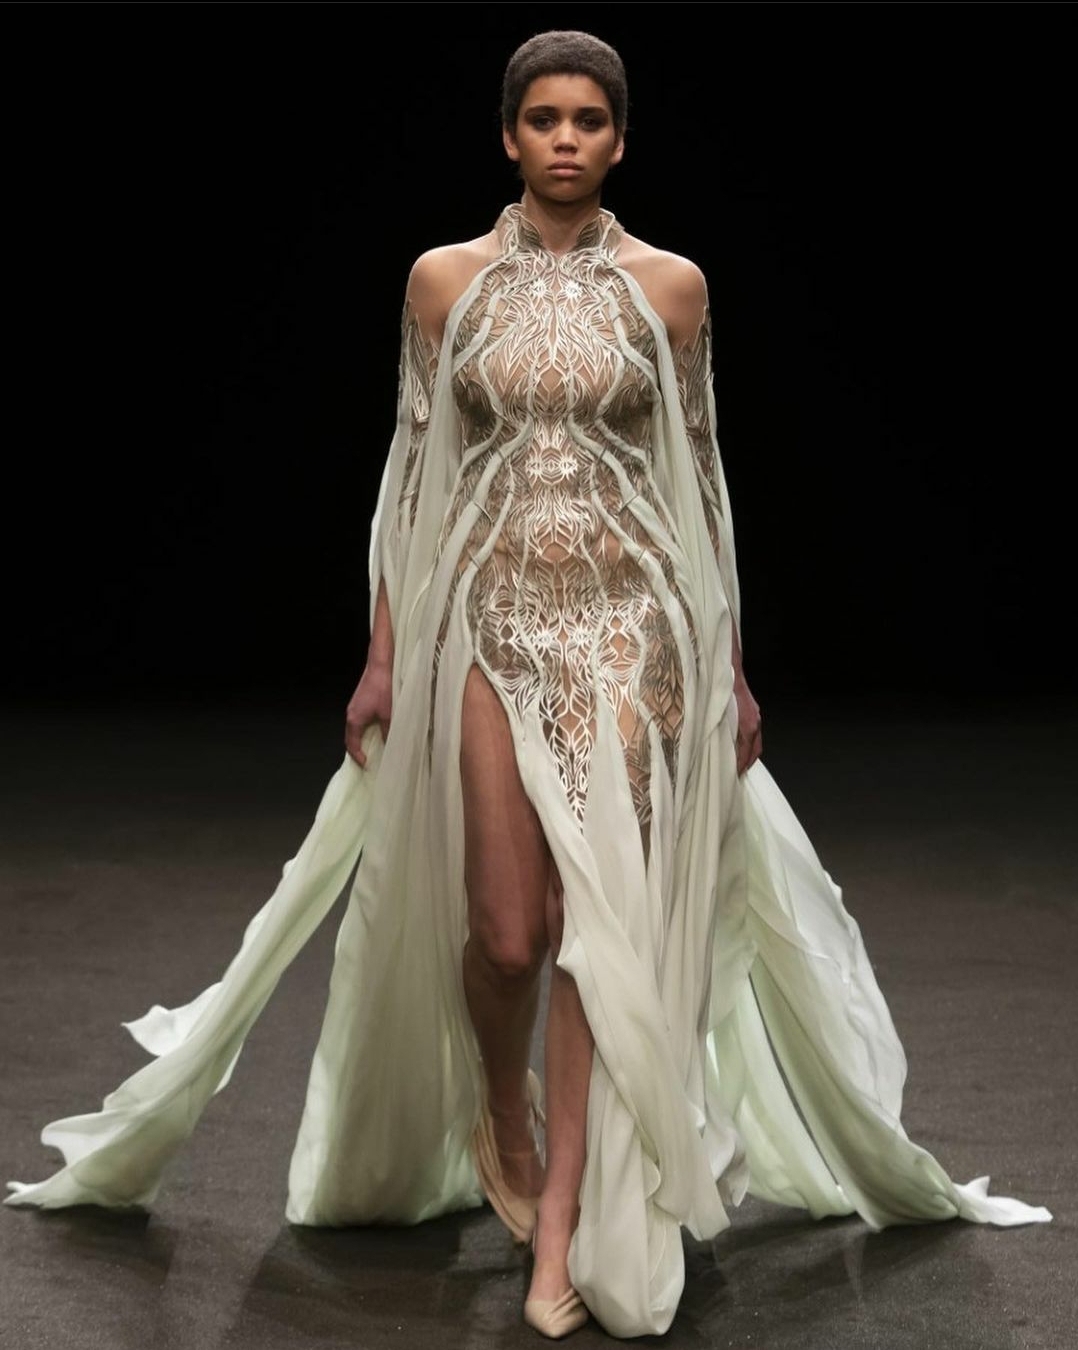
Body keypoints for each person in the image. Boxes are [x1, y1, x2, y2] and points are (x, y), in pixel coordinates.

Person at [5, 29, 1052, 1343]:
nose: (566, 138)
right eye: (544, 118)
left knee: (597, 928)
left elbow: (701, 482)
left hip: (637, 626)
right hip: (485, 620)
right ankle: (503, 1108)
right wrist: (384, 653)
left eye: (589, 120)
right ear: (508, 136)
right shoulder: (442, 280)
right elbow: (411, 473)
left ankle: (560, 1228)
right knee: (507, 932)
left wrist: (728, 667)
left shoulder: (672, 287)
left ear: (620, 140)